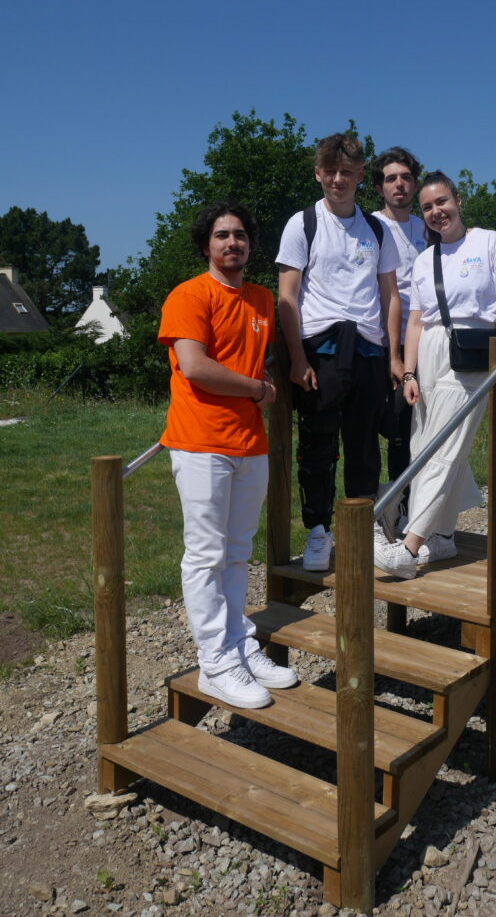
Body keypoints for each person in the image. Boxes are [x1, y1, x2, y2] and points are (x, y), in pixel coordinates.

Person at [374, 172, 496, 579]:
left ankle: (409, 547)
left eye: (442, 202)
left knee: (443, 447)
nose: (436, 212)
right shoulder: (425, 259)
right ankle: (442, 536)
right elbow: (416, 320)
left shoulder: (488, 242)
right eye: (428, 207)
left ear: (458, 200)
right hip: (428, 354)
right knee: (423, 445)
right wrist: (409, 373)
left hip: (471, 353)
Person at [158, 202, 298, 710]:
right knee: (205, 555)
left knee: (238, 551)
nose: (232, 242)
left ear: (250, 244)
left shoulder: (261, 298)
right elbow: (195, 366)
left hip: (249, 443)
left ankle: (240, 644)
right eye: (222, 235)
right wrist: (257, 390)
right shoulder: (189, 295)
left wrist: (261, 384)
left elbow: (254, 359)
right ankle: (215, 663)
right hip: (201, 442)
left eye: (240, 234)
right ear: (206, 245)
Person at [276, 133, 402, 571]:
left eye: (346, 172)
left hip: (368, 348)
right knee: (318, 442)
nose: (337, 180)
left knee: (365, 443)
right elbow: (287, 296)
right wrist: (297, 358)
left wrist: (393, 356)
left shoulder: (377, 229)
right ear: (318, 173)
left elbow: (391, 296)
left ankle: (362, 526)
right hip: (321, 346)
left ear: (361, 175)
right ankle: (318, 530)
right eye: (330, 171)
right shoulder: (303, 223)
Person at [371, 147, 428, 540]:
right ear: (379, 187)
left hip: (424, 342)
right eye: (391, 178)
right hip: (380, 343)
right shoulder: (370, 226)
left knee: (418, 429)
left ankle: (410, 507)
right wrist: (392, 354)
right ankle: (383, 508)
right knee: (388, 428)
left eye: (406, 177)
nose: (399, 184)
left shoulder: (429, 228)